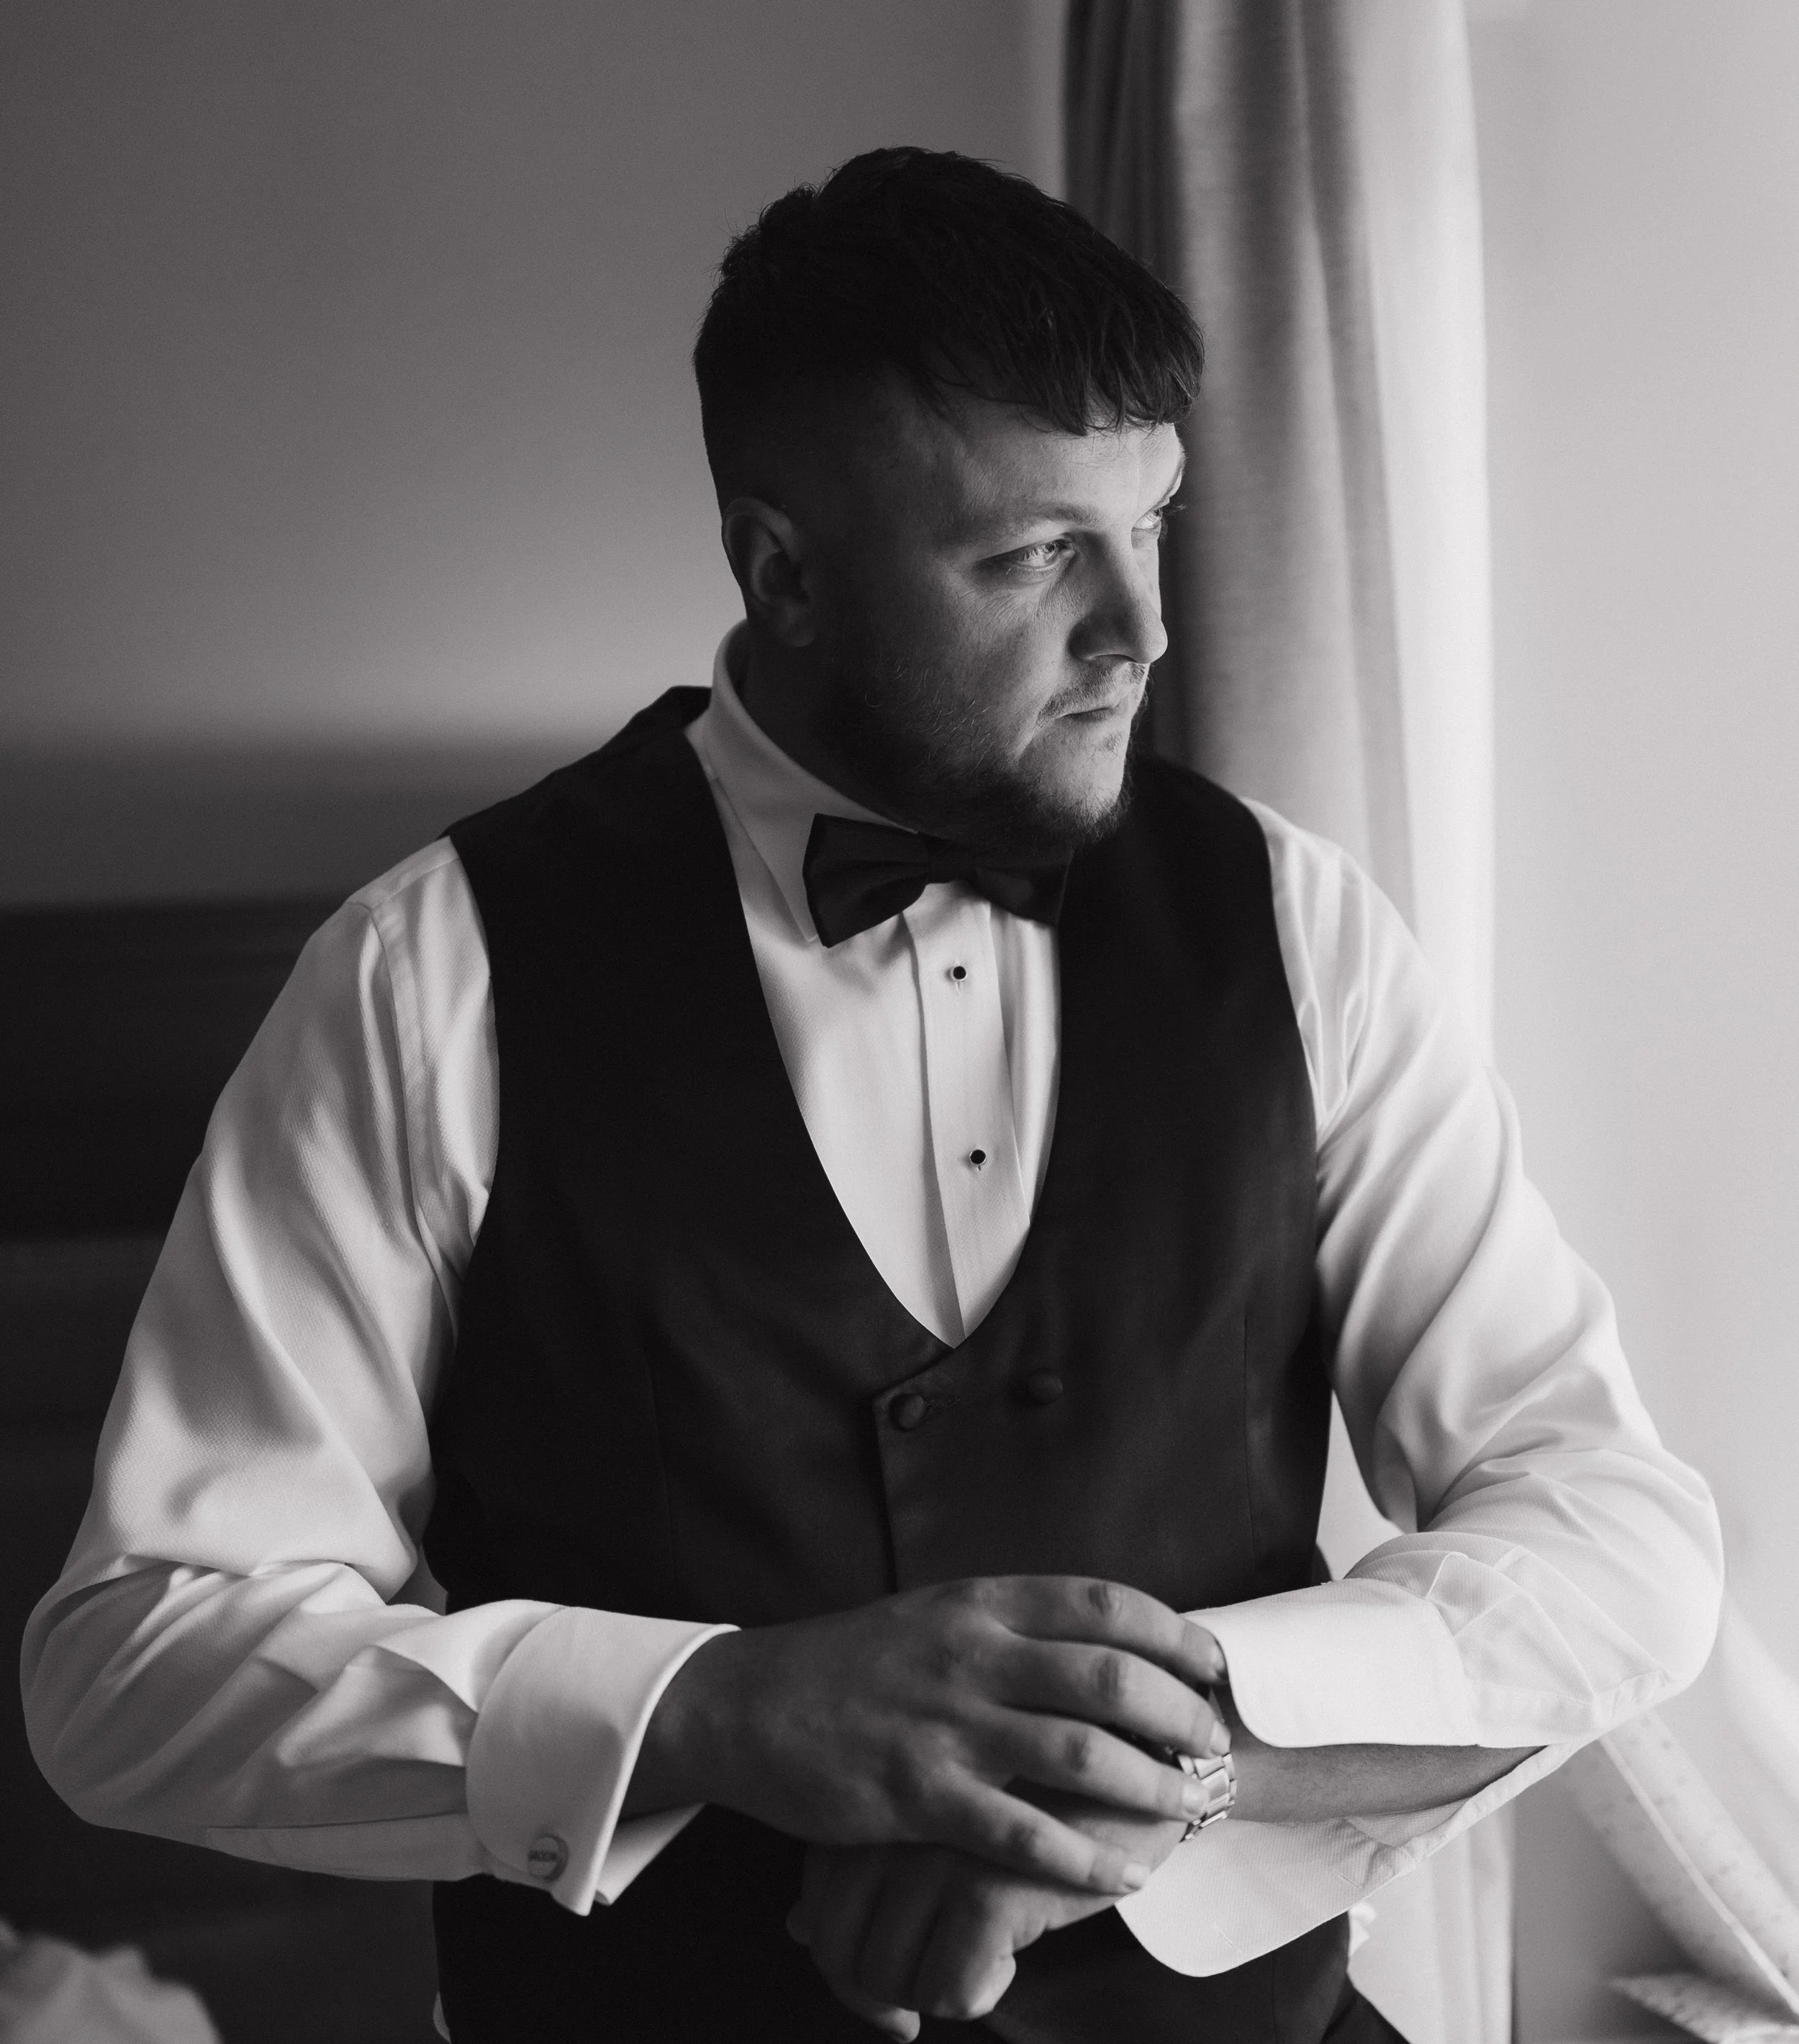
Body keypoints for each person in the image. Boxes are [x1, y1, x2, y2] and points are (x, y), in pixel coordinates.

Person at [24, 147, 1721, 2044]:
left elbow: (1612, 1532)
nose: (1140, 631)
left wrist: (1149, 1766)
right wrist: (714, 1709)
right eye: (1027, 559)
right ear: (781, 572)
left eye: (1147, 524)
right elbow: (131, 1664)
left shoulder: (1298, 925)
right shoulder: (433, 975)